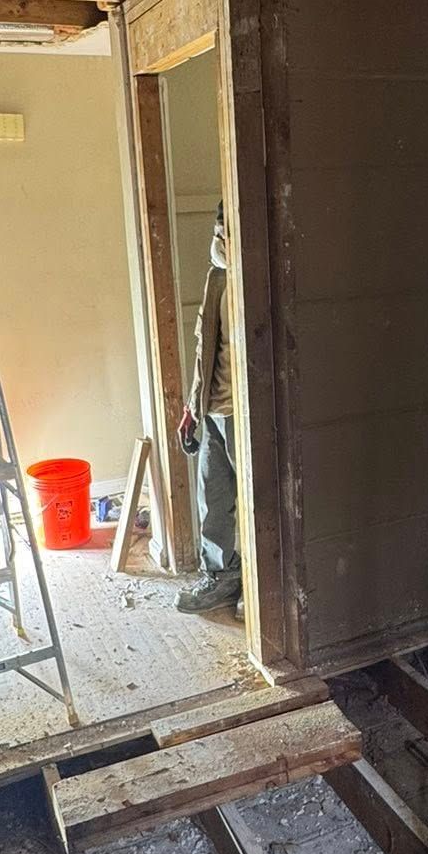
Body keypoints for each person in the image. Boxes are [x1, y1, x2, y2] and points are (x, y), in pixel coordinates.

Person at [175, 203, 241, 614]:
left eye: (225, 233)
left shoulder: (259, 279)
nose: (218, 241)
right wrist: (193, 406)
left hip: (246, 415)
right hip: (215, 410)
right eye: (217, 231)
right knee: (213, 498)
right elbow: (207, 348)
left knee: (256, 504)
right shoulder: (217, 277)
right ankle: (222, 578)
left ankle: (264, 591)